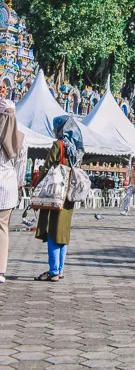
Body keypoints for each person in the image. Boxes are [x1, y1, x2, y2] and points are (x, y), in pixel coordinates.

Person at [35, 116, 84, 281]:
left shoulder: (59, 145)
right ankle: (60, 269)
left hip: (56, 194)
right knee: (63, 232)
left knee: (53, 231)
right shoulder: (77, 149)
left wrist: (38, 184)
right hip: (70, 195)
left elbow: (48, 168)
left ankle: (54, 270)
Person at [0, 99, 27, 284]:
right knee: (3, 228)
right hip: (8, 188)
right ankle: (1, 271)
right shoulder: (21, 138)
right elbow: (21, 169)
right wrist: (17, 186)